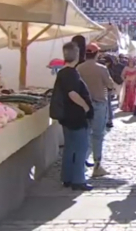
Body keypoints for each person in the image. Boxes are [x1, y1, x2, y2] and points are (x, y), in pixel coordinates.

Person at [54, 42, 93, 191]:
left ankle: (67, 177)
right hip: (76, 116)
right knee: (81, 148)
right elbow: (72, 93)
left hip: (67, 117)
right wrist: (86, 106)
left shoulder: (62, 73)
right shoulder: (71, 73)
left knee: (70, 148)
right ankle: (78, 180)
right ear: (76, 55)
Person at [77, 43, 114, 177]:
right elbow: (110, 84)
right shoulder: (102, 68)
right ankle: (97, 165)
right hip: (99, 104)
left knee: (84, 134)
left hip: (83, 105)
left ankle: (81, 163)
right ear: (97, 54)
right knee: (98, 135)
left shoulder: (79, 68)